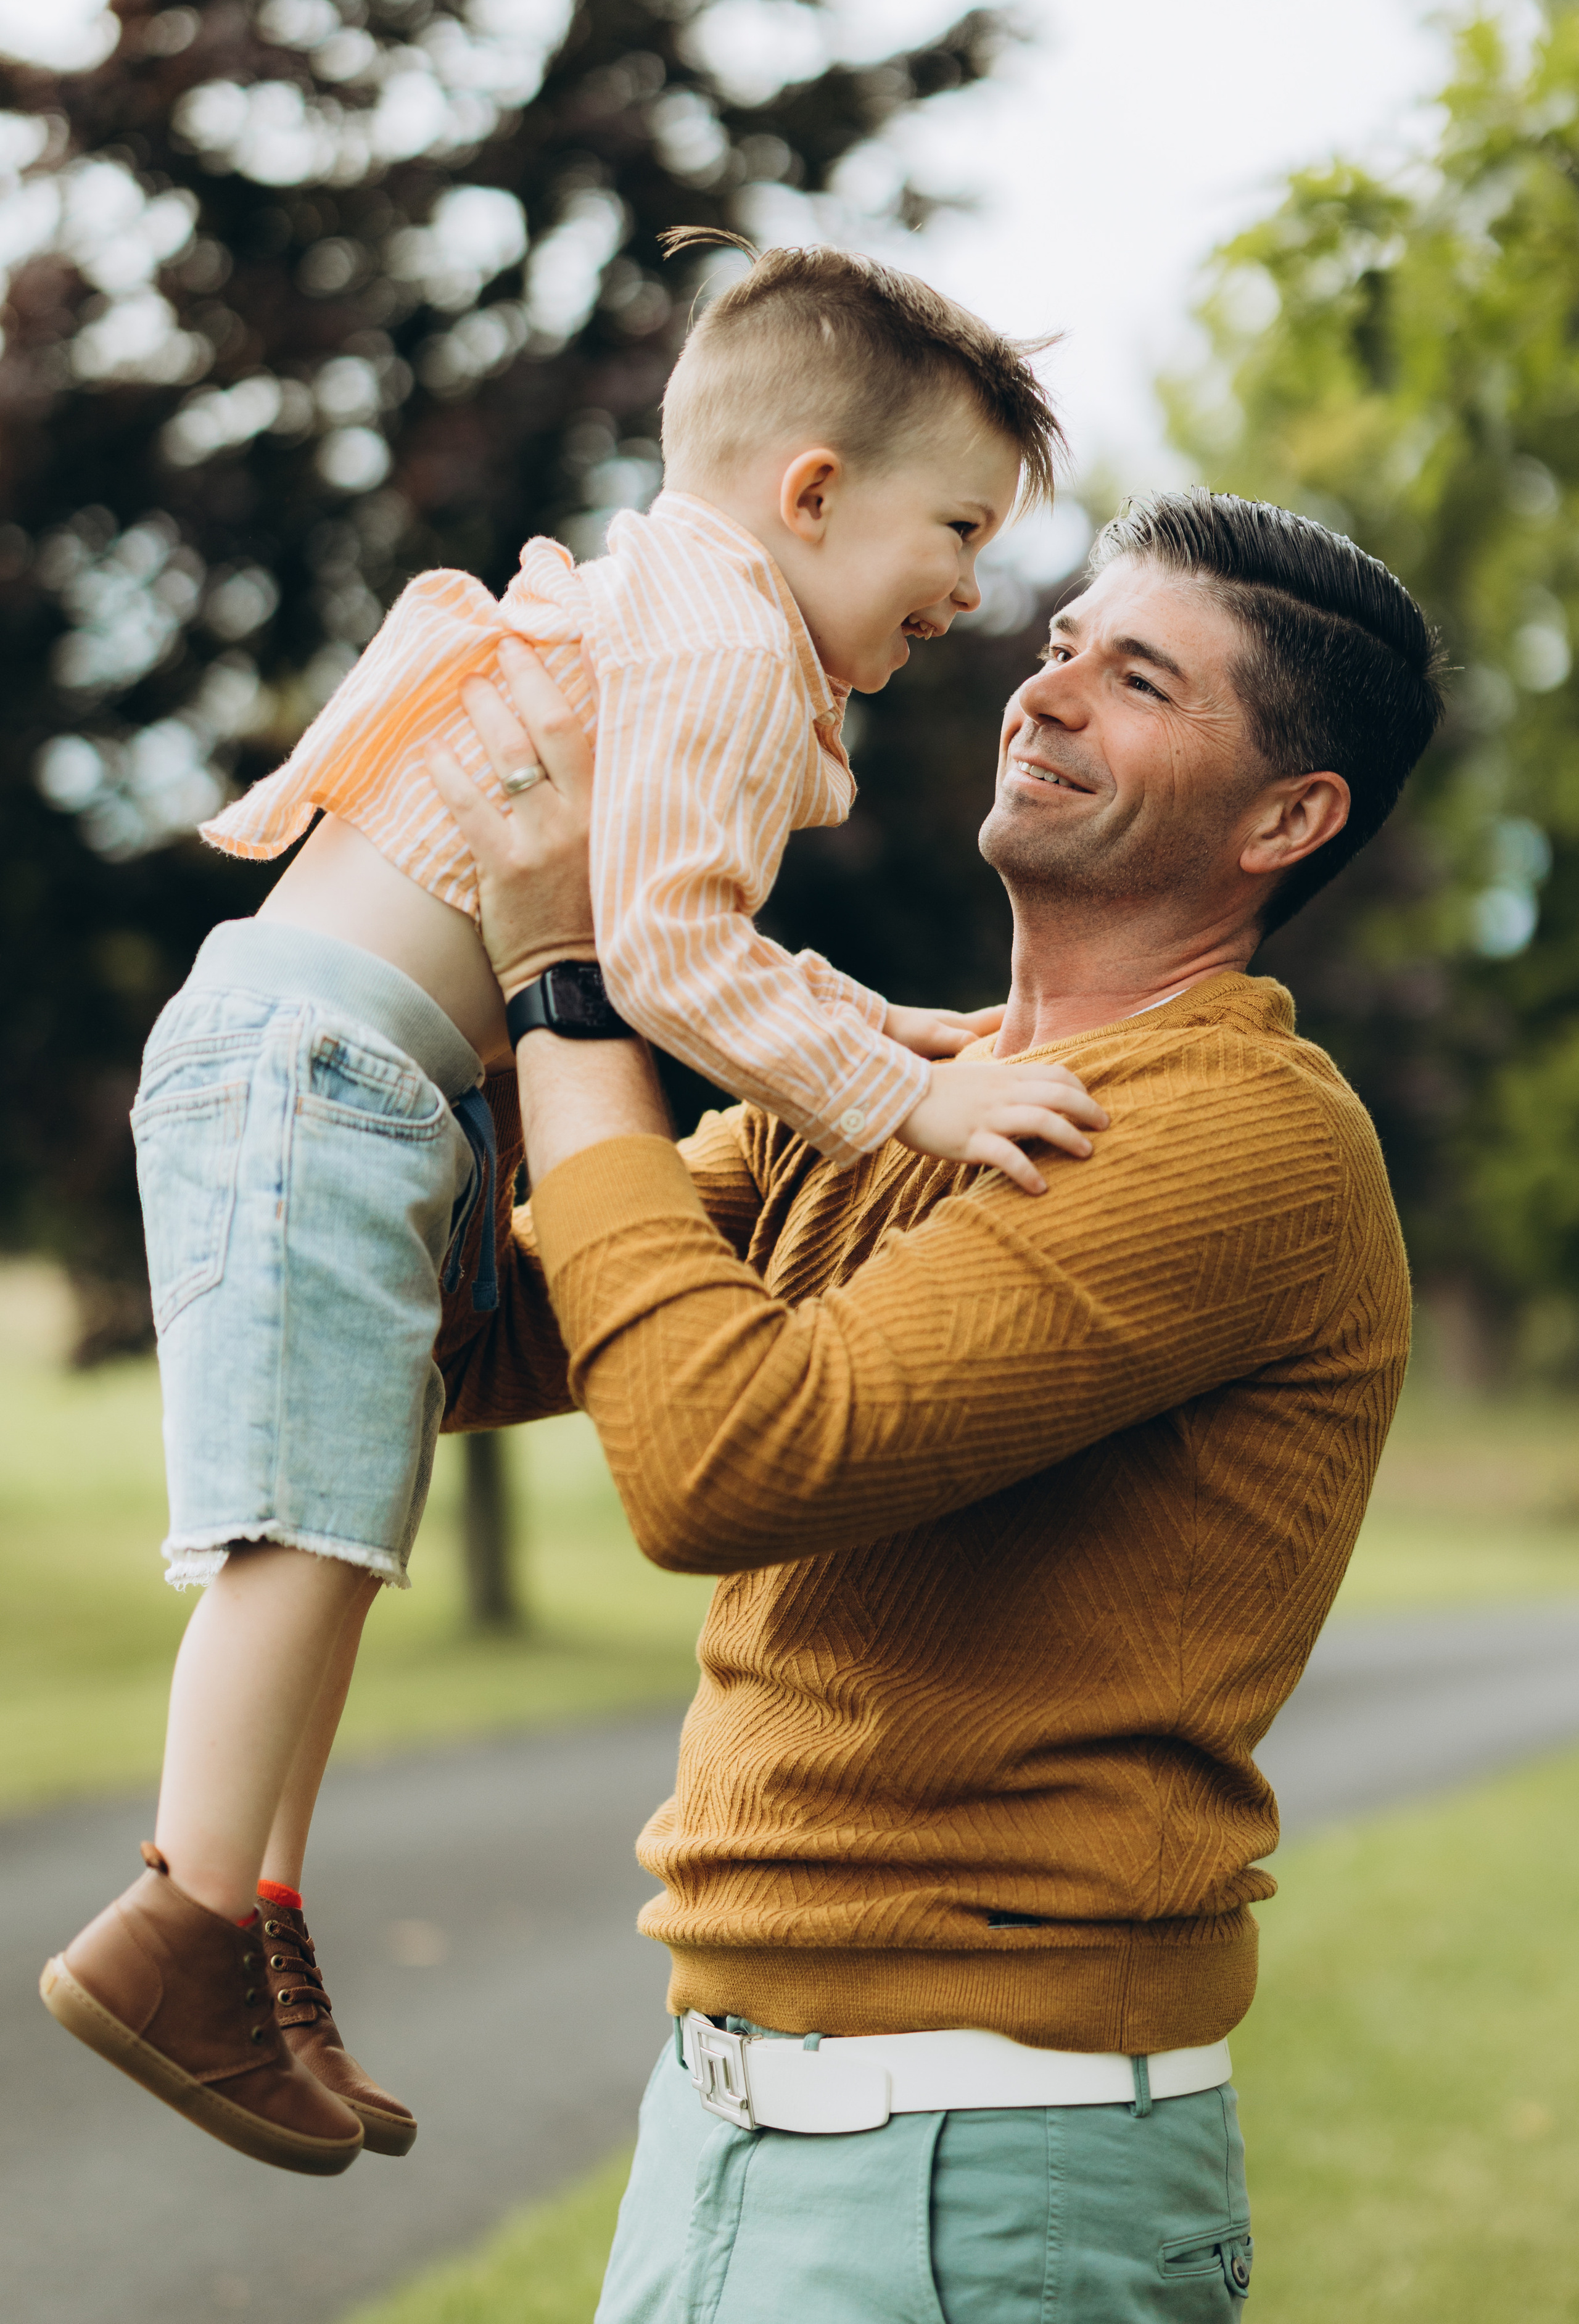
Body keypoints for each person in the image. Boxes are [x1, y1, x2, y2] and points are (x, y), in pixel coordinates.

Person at [40, 240, 1095, 2177]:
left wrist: (887, 1027)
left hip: (355, 1077)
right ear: (811, 493)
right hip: (325, 1072)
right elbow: (679, 970)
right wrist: (918, 1098)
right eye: (956, 527)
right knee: (306, 1533)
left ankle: (256, 1938)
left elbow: (679, 931)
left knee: (347, 1533)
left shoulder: (697, 614)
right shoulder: (713, 643)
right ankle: (176, 1927)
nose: (972, 584)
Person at [427, 486, 1442, 2320]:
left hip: (980, 2174)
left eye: (1138, 679)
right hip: (731, 2134)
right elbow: (461, 1334)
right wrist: (432, 974)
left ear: (1288, 818)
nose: (1046, 695)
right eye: (1060, 647)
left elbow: (728, 1458)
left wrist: (572, 984)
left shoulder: (1241, 1139)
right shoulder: (901, 1080)